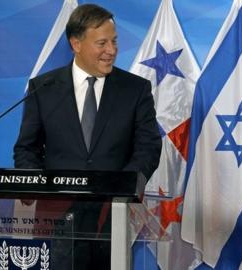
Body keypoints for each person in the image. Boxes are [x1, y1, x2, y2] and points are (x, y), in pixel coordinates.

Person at [13, 4, 162, 269]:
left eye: (114, 42)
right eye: (102, 43)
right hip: (55, 218)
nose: (112, 51)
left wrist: (123, 188)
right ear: (76, 44)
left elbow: (148, 147)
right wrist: (33, 185)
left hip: (112, 216)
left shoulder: (135, 89)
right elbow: (27, 148)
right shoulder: (43, 88)